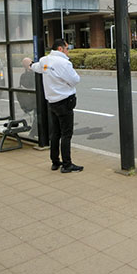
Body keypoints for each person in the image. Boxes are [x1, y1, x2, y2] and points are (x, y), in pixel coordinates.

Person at [24, 39, 83, 174]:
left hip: (52, 102)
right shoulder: (63, 63)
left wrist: (29, 63)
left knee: (55, 133)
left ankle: (55, 162)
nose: (68, 51)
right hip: (65, 101)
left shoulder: (45, 60)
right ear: (61, 49)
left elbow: (36, 67)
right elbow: (75, 80)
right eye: (67, 48)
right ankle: (67, 164)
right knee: (66, 134)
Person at [17, 58, 38, 139]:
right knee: (38, 116)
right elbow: (25, 86)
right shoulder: (26, 76)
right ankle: (33, 133)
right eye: (30, 64)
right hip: (33, 100)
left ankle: (35, 133)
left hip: (35, 99)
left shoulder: (35, 72)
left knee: (37, 116)